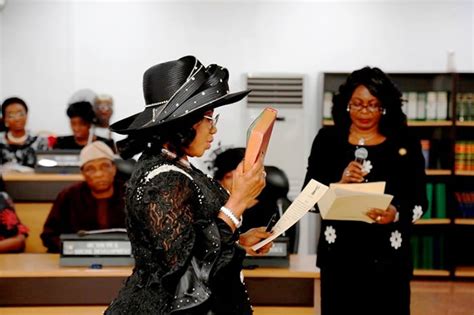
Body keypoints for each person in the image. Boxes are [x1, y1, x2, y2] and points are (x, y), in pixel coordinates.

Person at [105, 55, 272, 315]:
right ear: (185, 122)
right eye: (209, 118)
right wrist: (237, 202)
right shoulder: (163, 179)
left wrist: (238, 243)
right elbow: (186, 270)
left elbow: (195, 237)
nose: (213, 130)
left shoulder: (176, 166)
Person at [303, 66, 428, 315]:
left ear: (385, 107)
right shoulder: (328, 141)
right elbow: (310, 200)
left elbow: (420, 201)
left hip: (389, 258)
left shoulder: (405, 143)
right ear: (346, 104)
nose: (364, 112)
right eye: (357, 104)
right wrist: (338, 184)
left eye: (373, 105)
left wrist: (396, 212)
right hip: (339, 258)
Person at [41, 141, 126, 253]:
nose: (99, 174)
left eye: (105, 166)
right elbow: (49, 235)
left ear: (114, 169)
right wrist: (73, 248)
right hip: (77, 260)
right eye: (90, 169)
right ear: (82, 173)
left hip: (124, 259)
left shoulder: (129, 194)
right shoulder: (69, 195)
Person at [213, 147, 298, 253]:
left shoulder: (274, 206)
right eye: (227, 177)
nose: (231, 183)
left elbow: (282, 248)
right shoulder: (215, 207)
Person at [0, 97, 49, 169]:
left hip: (33, 179)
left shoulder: (39, 141)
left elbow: (47, 167)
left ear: (27, 115)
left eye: (21, 114)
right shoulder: (1, 141)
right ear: (5, 120)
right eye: (11, 115)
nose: (17, 119)